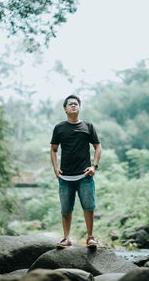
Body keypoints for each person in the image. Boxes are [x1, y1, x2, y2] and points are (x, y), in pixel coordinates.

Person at [50, 95, 101, 248]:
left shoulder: (88, 126)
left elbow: (98, 146)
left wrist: (94, 166)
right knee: (66, 209)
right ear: (65, 109)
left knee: (88, 206)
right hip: (65, 177)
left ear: (79, 108)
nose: (73, 106)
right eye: (70, 104)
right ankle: (66, 238)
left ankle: (91, 237)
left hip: (85, 176)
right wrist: (55, 168)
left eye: (76, 104)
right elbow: (53, 149)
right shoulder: (59, 128)